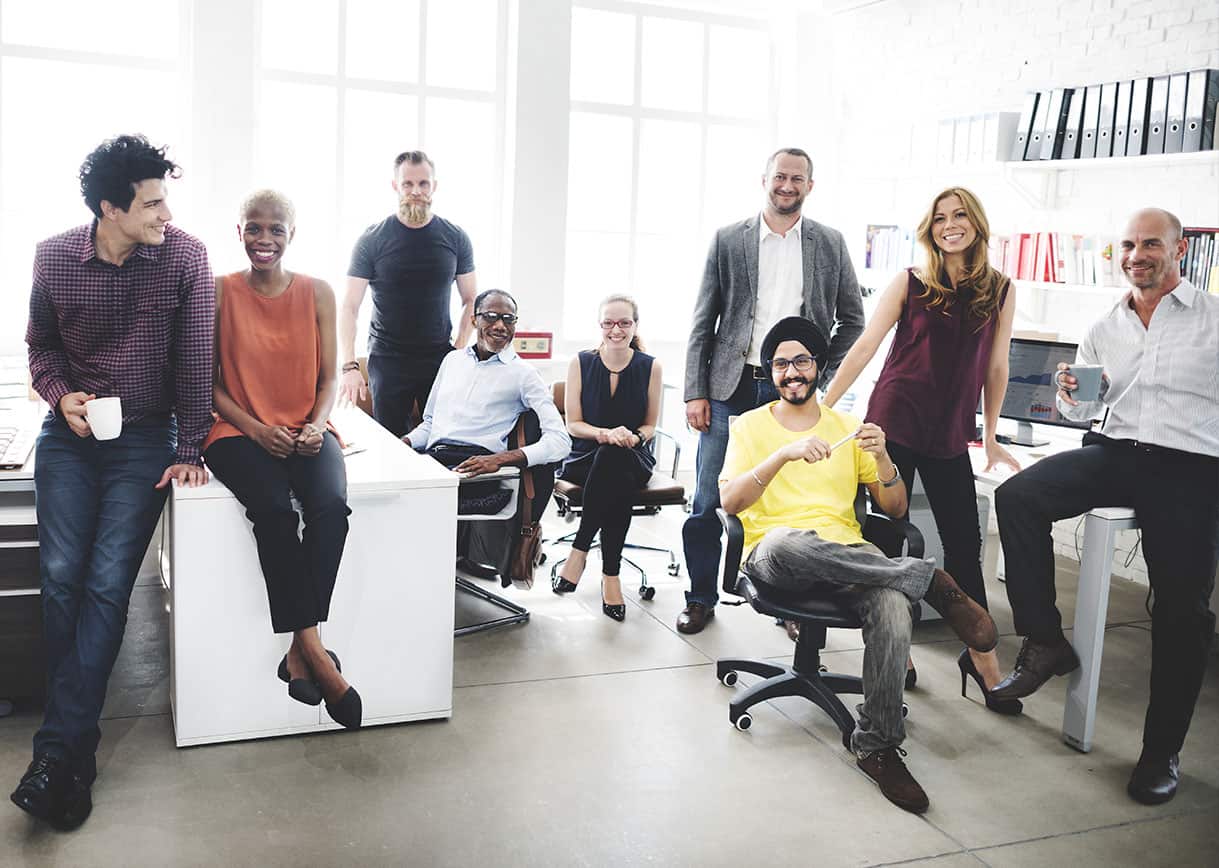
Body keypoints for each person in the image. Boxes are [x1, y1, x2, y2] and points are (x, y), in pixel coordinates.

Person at [13, 135, 214, 830]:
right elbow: (41, 346)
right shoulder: (53, 258)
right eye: (152, 203)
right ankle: (75, 756)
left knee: (105, 582)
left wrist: (190, 446)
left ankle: (57, 754)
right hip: (70, 433)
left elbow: (196, 359)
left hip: (146, 436)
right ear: (109, 209)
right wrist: (59, 394)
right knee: (61, 576)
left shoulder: (184, 257)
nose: (167, 213)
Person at [721, 316, 997, 813]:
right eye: (780, 364)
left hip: (850, 555)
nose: (791, 372)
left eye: (801, 361)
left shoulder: (847, 429)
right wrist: (783, 455)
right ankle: (927, 579)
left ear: (818, 366)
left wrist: (885, 458)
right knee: (786, 542)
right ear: (770, 372)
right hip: (777, 554)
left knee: (892, 605)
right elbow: (731, 503)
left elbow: (894, 509)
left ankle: (878, 745)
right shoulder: (749, 426)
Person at [990, 207, 1219, 806]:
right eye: (1128, 245)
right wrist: (1070, 396)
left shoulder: (1213, 319)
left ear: (1179, 251)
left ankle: (1161, 751)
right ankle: (1045, 640)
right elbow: (1085, 410)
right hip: (1116, 451)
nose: (1136, 255)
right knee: (1018, 497)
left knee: (1182, 610)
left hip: (1190, 465)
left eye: (1151, 244)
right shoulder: (1104, 326)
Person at [823, 187, 1020, 712]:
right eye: (939, 218)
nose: (949, 225)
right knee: (891, 536)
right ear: (929, 229)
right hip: (895, 420)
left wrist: (991, 435)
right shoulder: (911, 282)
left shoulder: (1000, 290)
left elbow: (996, 365)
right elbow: (865, 346)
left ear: (976, 223)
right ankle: (896, 645)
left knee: (964, 543)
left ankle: (982, 658)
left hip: (950, 429)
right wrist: (825, 407)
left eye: (959, 216)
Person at [679, 147, 865, 635]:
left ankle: (790, 605)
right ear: (764, 179)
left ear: (810, 186)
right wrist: (695, 390)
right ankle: (700, 597)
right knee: (709, 498)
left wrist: (821, 374)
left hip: (796, 388)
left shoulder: (830, 242)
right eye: (780, 176)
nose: (787, 185)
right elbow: (703, 320)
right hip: (732, 385)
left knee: (789, 497)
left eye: (797, 179)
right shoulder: (728, 239)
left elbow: (854, 320)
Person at [200, 190, 360, 731]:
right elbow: (208, 382)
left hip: (307, 427)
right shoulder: (219, 291)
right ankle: (315, 651)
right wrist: (255, 429)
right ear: (239, 231)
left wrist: (316, 424)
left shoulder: (318, 292)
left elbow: (329, 378)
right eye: (254, 228)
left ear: (293, 234)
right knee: (272, 510)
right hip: (236, 430)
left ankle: (298, 649)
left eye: (275, 229)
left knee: (331, 509)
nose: (263, 239)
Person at [403, 290, 570, 573]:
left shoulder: (523, 374)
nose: (500, 325)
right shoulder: (452, 361)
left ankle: (424, 577)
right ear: (474, 320)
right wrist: (403, 443)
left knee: (404, 498)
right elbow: (430, 424)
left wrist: (499, 459)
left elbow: (560, 442)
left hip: (477, 470)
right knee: (380, 485)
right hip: (436, 459)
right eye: (491, 316)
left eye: (508, 319)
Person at [338, 150, 478, 436]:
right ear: (395, 186)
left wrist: (458, 351)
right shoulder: (372, 240)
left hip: (438, 357)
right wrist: (349, 366)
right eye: (408, 184)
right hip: (388, 359)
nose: (416, 191)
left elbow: (471, 300)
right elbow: (350, 306)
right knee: (390, 442)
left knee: (441, 439)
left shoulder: (455, 237)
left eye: (423, 183)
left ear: (433, 186)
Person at [552, 294, 663, 621]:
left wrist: (634, 437)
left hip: (633, 455)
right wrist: (605, 434)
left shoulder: (651, 366)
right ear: (599, 325)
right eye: (609, 323)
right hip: (585, 457)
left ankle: (579, 552)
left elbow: (650, 425)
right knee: (611, 461)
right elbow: (573, 424)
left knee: (616, 459)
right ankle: (610, 577)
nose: (616, 330)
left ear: (635, 325)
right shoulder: (581, 362)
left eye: (624, 322)